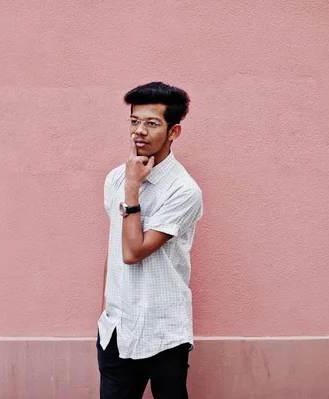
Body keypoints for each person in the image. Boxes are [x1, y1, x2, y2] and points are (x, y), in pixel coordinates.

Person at [97, 82, 203, 399]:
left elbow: (133, 252)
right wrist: (107, 311)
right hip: (117, 329)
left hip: (163, 330)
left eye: (152, 123)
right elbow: (115, 249)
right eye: (134, 121)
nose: (139, 131)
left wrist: (132, 190)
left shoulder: (183, 190)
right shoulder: (115, 178)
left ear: (174, 132)